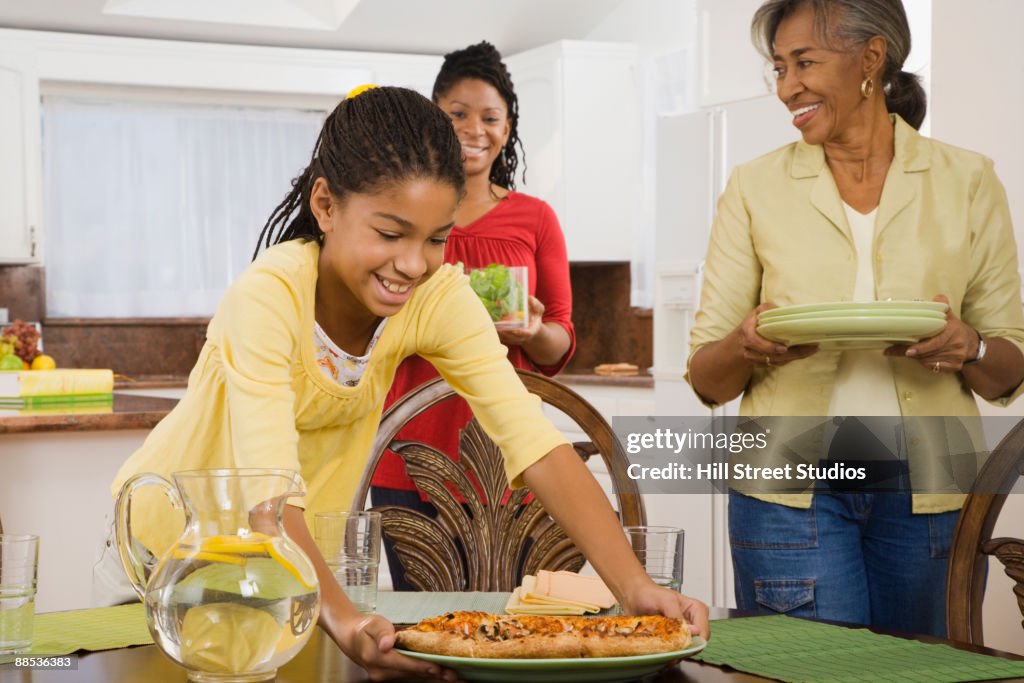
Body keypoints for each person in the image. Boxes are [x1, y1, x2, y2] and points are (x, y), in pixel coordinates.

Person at [105, 85, 709, 680]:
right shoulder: (268, 298)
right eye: (391, 234)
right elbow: (271, 498)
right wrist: (344, 622)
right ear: (326, 206)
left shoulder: (436, 297)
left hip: (282, 573)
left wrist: (634, 586)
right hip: (164, 565)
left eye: (437, 238)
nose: (414, 263)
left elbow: (535, 444)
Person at [686, 0, 1024, 638]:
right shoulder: (754, 187)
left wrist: (967, 345)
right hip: (786, 491)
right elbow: (707, 377)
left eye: (804, 63)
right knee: (808, 676)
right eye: (780, 68)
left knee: (920, 676)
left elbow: (1008, 370)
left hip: (935, 487)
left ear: (872, 58)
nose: (788, 87)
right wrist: (748, 343)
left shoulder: (968, 180)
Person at [369, 41, 576, 591]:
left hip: (511, 455)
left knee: (513, 621)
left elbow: (560, 342)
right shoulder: (399, 213)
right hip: (407, 451)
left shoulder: (535, 218)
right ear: (433, 117)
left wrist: (532, 332)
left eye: (490, 117)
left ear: (507, 129)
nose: (474, 129)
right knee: (424, 626)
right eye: (457, 114)